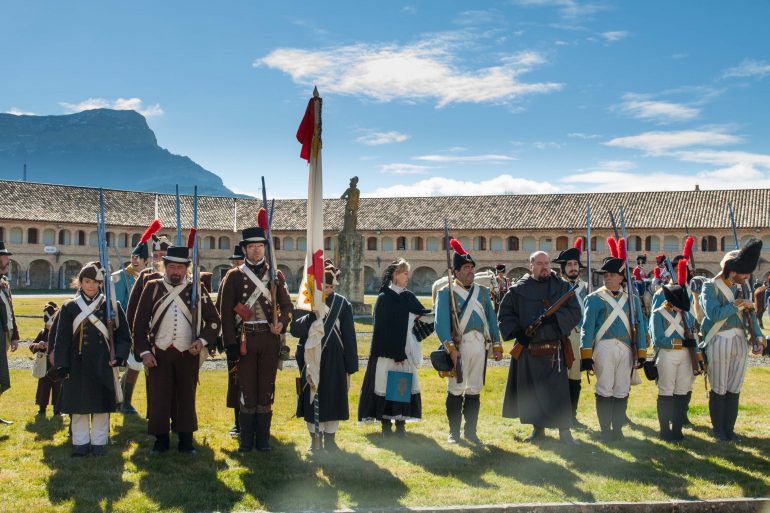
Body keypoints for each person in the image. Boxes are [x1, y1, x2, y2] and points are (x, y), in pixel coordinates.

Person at [132, 245, 221, 454]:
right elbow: (139, 324)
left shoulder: (197, 288)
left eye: (180, 268)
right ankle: (160, 441)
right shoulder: (152, 287)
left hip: (187, 352)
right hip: (159, 353)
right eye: (171, 267)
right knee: (159, 398)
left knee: (186, 398)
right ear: (165, 267)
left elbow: (214, 321)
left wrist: (202, 341)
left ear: (186, 269)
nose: (175, 272)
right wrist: (144, 352)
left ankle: (186, 441)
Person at [220, 223, 293, 452]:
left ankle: (263, 441)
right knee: (247, 389)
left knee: (266, 389)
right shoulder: (233, 276)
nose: (256, 250)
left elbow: (287, 306)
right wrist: (230, 344)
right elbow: (225, 313)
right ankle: (245, 441)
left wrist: (282, 322)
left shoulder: (276, 274)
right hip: (245, 339)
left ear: (265, 247)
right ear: (244, 250)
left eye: (260, 246)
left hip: (269, 339)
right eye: (251, 246)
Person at [499, 250, 581, 445]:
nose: (545, 267)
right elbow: (505, 315)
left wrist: (557, 318)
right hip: (530, 350)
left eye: (547, 263)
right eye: (540, 263)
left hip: (555, 351)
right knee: (533, 392)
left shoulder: (561, 287)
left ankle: (565, 432)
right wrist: (519, 334)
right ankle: (538, 430)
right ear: (531, 266)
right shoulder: (518, 290)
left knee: (559, 392)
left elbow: (575, 312)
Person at [53, 262, 131, 456]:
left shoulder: (112, 306)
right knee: (79, 407)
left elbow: (123, 336)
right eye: (87, 281)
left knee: (101, 406)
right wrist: (62, 364)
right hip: (77, 363)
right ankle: (80, 443)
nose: (91, 286)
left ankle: (99, 443)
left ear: (100, 284)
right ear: (80, 282)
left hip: (103, 362)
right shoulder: (70, 307)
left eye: (96, 282)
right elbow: (61, 339)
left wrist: (119, 356)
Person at [436, 240, 502, 444]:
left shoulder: (482, 292)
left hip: (479, 345)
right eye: (466, 268)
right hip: (459, 345)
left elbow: (491, 319)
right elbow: (441, 325)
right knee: (455, 389)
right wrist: (451, 349)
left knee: (474, 388)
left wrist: (497, 345)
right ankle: (454, 432)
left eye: (472, 268)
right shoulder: (446, 292)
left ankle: (471, 432)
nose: (470, 271)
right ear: (456, 272)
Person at [699, 238, 765, 441]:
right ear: (732, 270)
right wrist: (737, 304)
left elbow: (751, 315)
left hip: (739, 341)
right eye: (744, 273)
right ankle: (718, 429)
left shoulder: (743, 288)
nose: (746, 277)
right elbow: (713, 314)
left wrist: (759, 337)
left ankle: (730, 429)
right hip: (719, 339)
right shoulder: (709, 287)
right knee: (718, 387)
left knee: (734, 387)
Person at [580, 248, 647, 442]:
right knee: (604, 388)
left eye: (611, 275)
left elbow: (640, 327)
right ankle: (605, 431)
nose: (607, 278)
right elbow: (588, 329)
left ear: (621, 277)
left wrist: (641, 352)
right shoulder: (594, 299)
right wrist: (586, 356)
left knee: (622, 389)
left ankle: (617, 429)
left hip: (626, 349)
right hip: (604, 348)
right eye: (605, 275)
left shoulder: (632, 301)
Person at [358, 259, 432, 436]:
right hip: (387, 351)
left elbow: (424, 317)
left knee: (402, 386)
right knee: (385, 385)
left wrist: (442, 312)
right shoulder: (384, 299)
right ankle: (385, 425)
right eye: (405, 273)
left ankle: (400, 425)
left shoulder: (408, 297)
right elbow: (381, 330)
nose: (408, 276)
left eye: (407, 273)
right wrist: (394, 352)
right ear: (395, 275)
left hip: (405, 348)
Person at [292, 261, 358, 452]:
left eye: (331, 287)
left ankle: (330, 439)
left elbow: (349, 336)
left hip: (334, 359)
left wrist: (350, 366)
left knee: (333, 398)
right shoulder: (306, 300)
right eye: (325, 286)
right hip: (310, 356)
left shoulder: (342, 303)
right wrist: (311, 316)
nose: (328, 290)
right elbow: (295, 329)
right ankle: (314, 439)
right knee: (312, 398)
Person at [650, 261, 704, 442]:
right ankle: (665, 430)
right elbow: (658, 340)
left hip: (686, 358)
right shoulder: (658, 313)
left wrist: (698, 357)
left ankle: (678, 429)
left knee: (682, 392)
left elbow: (693, 339)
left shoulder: (686, 314)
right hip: (666, 356)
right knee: (666, 391)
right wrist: (681, 343)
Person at [552, 239, 589, 430]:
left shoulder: (586, 288)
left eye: (575, 264)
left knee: (575, 379)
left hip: (580, 338)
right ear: (563, 268)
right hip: (562, 336)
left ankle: (572, 417)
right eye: (569, 265)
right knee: (560, 380)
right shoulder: (557, 287)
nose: (573, 268)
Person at [216, 244, 245, 438]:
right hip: (234, 338)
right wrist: (223, 338)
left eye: (239, 260)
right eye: (233, 261)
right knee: (236, 382)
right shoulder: (228, 279)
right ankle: (238, 422)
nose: (235, 264)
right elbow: (220, 310)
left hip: (256, 337)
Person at [0, 241, 20, 425]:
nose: (7, 260)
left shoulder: (4, 283)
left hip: (3, 338)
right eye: (4, 256)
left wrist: (14, 336)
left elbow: (10, 311)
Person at [30, 301, 61, 417]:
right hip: (44, 365)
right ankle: (41, 409)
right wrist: (39, 345)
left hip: (56, 365)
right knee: (43, 387)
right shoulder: (42, 333)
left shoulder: (60, 333)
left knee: (58, 386)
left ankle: (57, 409)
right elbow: (32, 346)